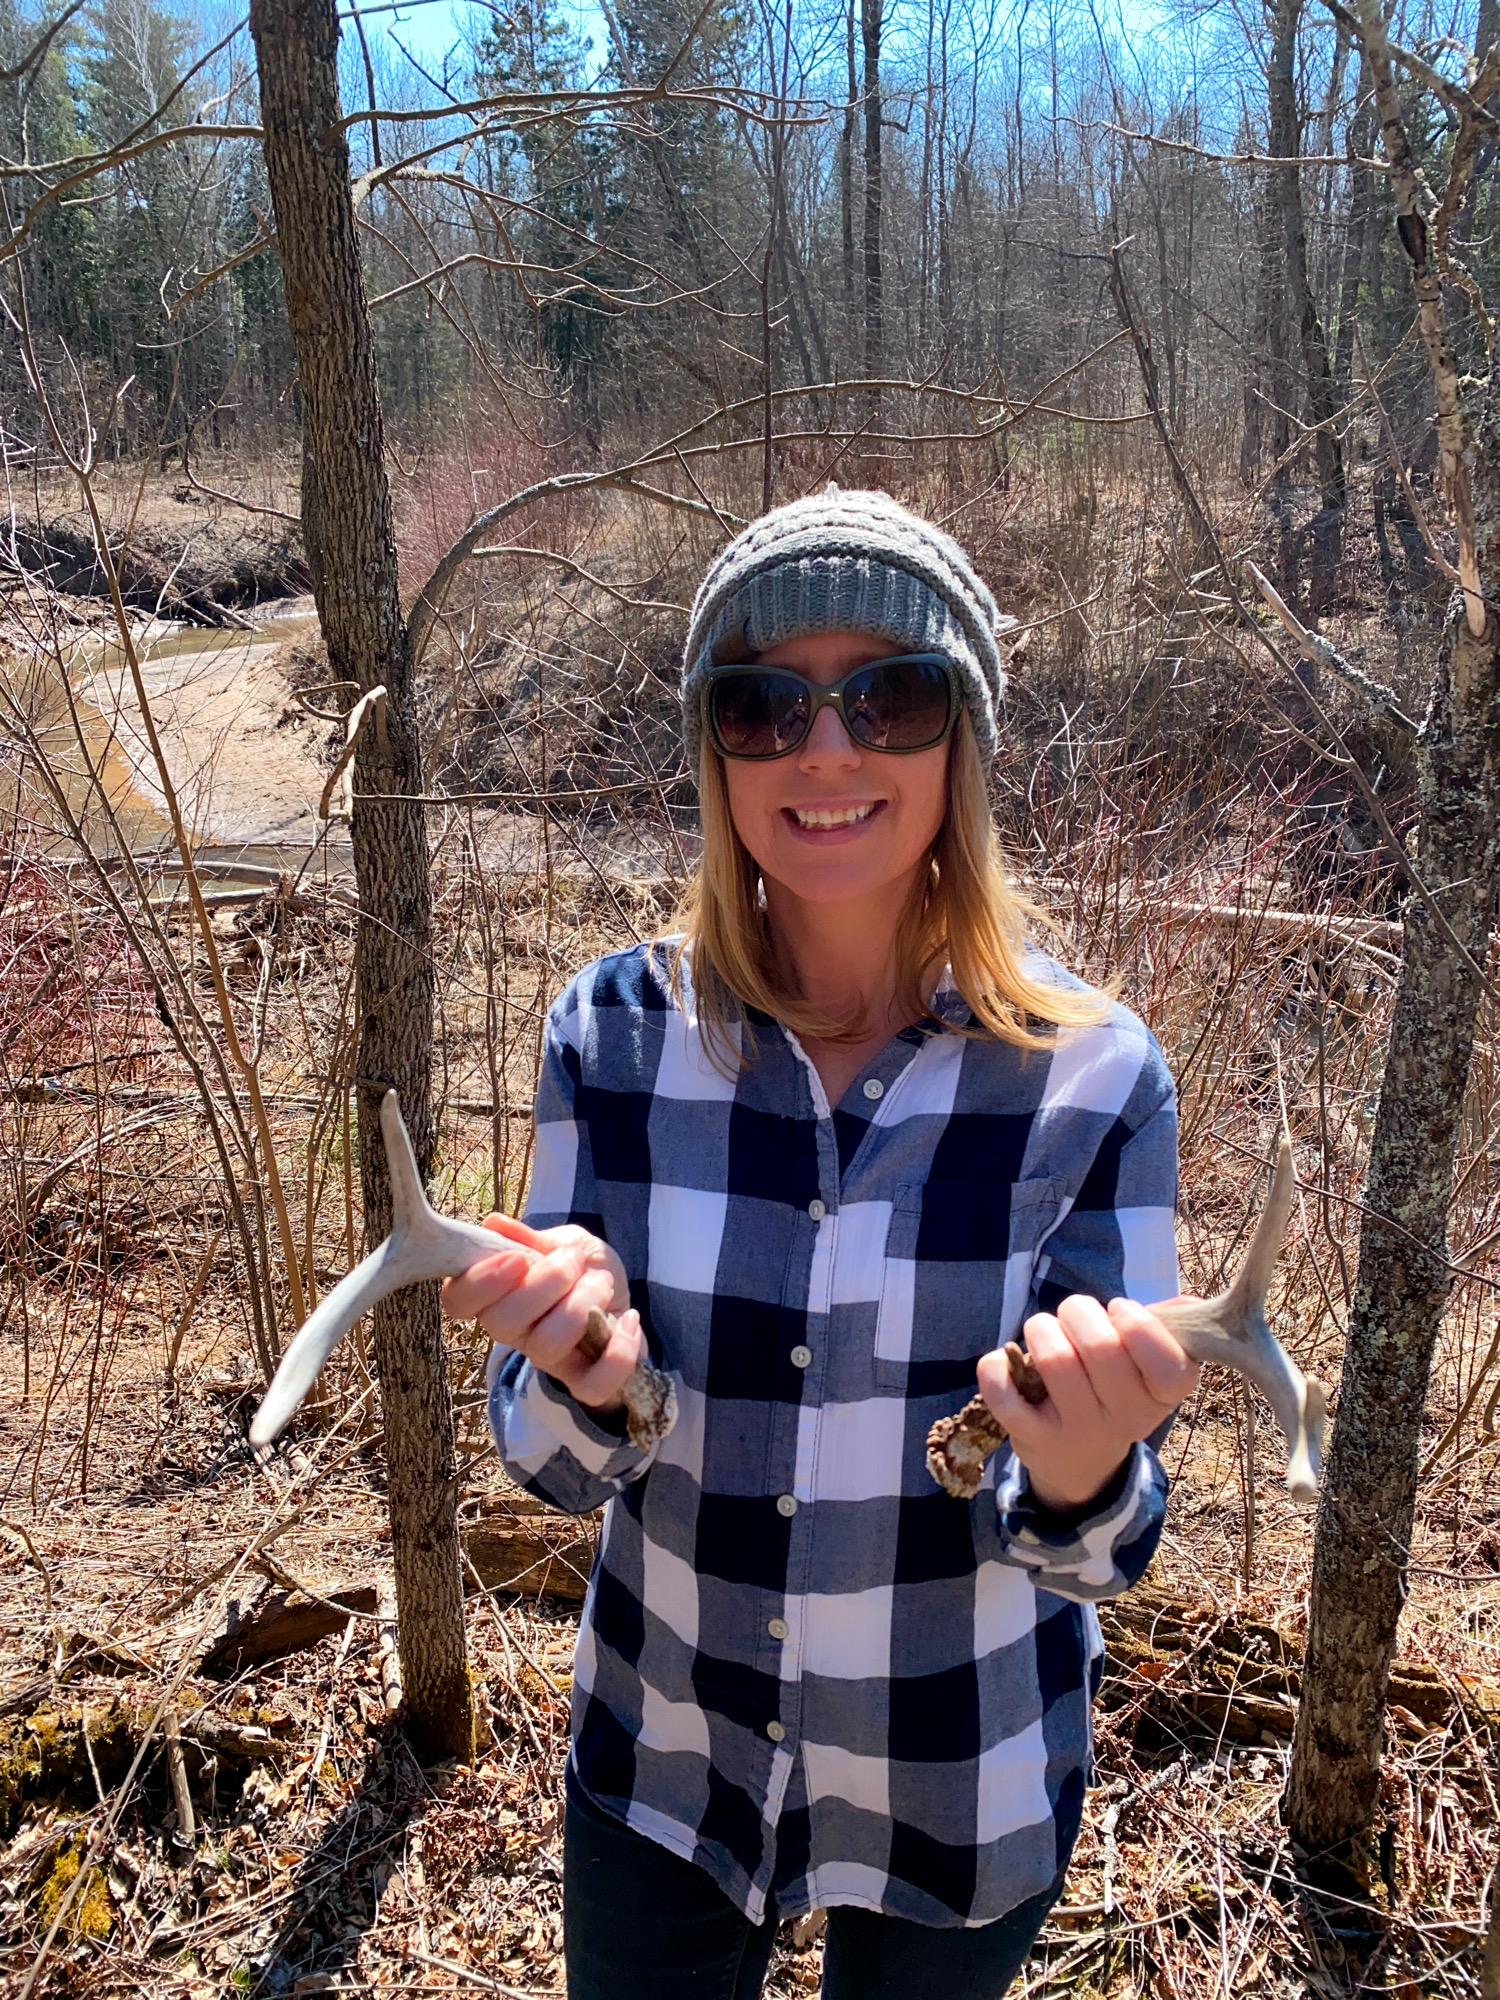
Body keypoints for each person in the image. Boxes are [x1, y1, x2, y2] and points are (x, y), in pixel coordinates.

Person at [441, 488, 1197, 2000]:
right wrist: (576, 1374)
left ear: (962, 739)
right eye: (763, 706)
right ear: (712, 752)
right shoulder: (613, 1036)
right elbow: (553, 1463)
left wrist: (1083, 1463)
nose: (828, 750)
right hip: (666, 1757)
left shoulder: (1097, 1077)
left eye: (890, 695)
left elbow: (1106, 1549)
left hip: (959, 1777)